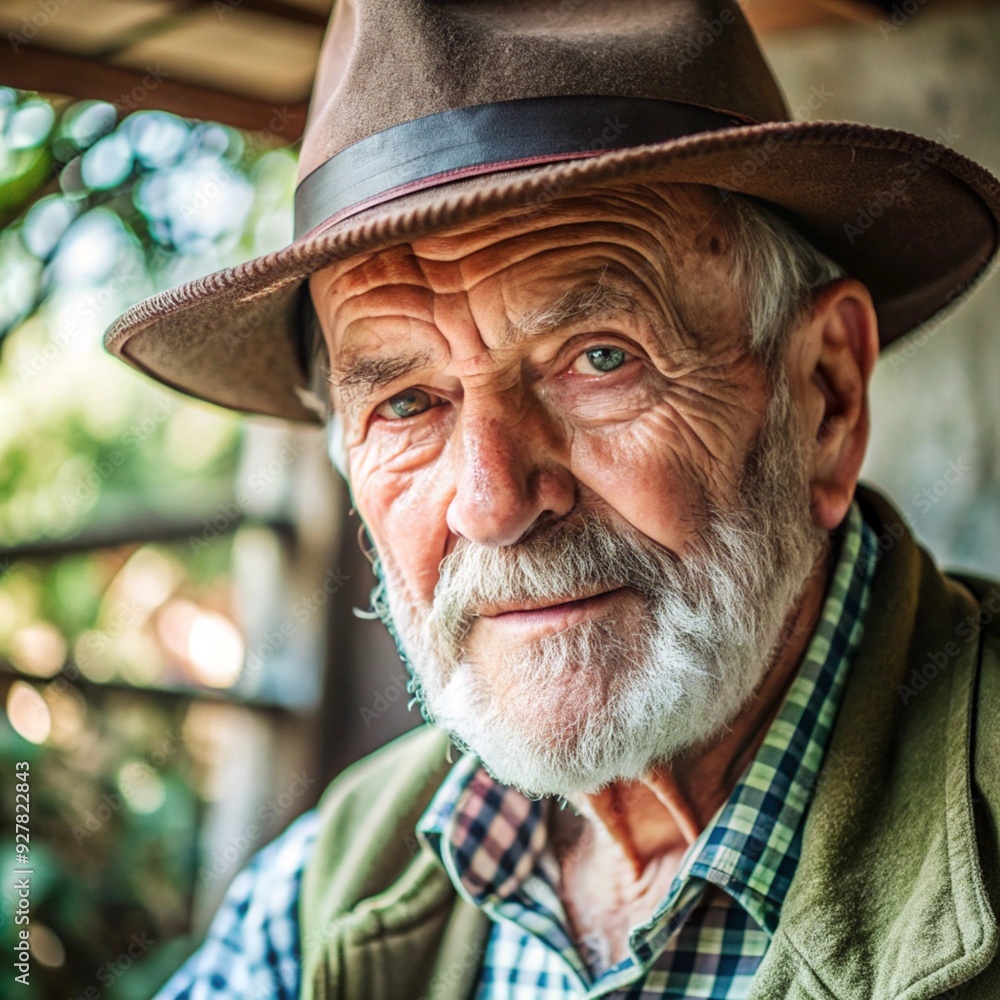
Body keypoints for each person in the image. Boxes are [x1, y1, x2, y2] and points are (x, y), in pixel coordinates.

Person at [106, 1, 1000, 997]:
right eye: (406, 402)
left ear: (824, 396)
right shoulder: (331, 884)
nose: (492, 502)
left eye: (599, 358)